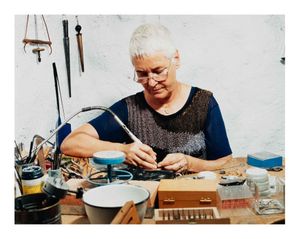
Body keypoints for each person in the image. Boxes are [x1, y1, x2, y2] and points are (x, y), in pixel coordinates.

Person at [61, 23, 232, 173]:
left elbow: (224, 162)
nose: (151, 82)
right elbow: (70, 143)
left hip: (190, 196)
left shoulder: (203, 103)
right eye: (142, 74)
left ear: (176, 60)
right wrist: (122, 150)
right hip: (143, 197)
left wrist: (190, 163)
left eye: (158, 71)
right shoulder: (130, 108)